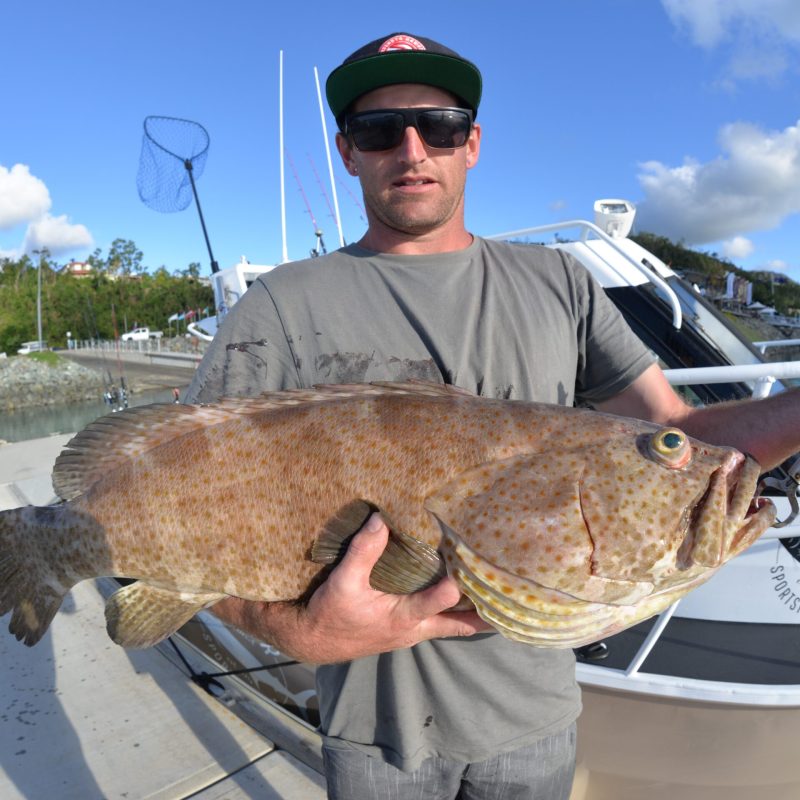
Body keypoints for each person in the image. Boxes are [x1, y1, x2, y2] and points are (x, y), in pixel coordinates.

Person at [185, 32, 800, 800]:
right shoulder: (279, 304)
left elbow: (676, 438)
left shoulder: (562, 284)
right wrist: (294, 633)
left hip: (537, 721)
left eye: (438, 125)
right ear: (348, 152)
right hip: (377, 738)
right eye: (380, 130)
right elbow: (180, 501)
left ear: (471, 143)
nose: (412, 148)